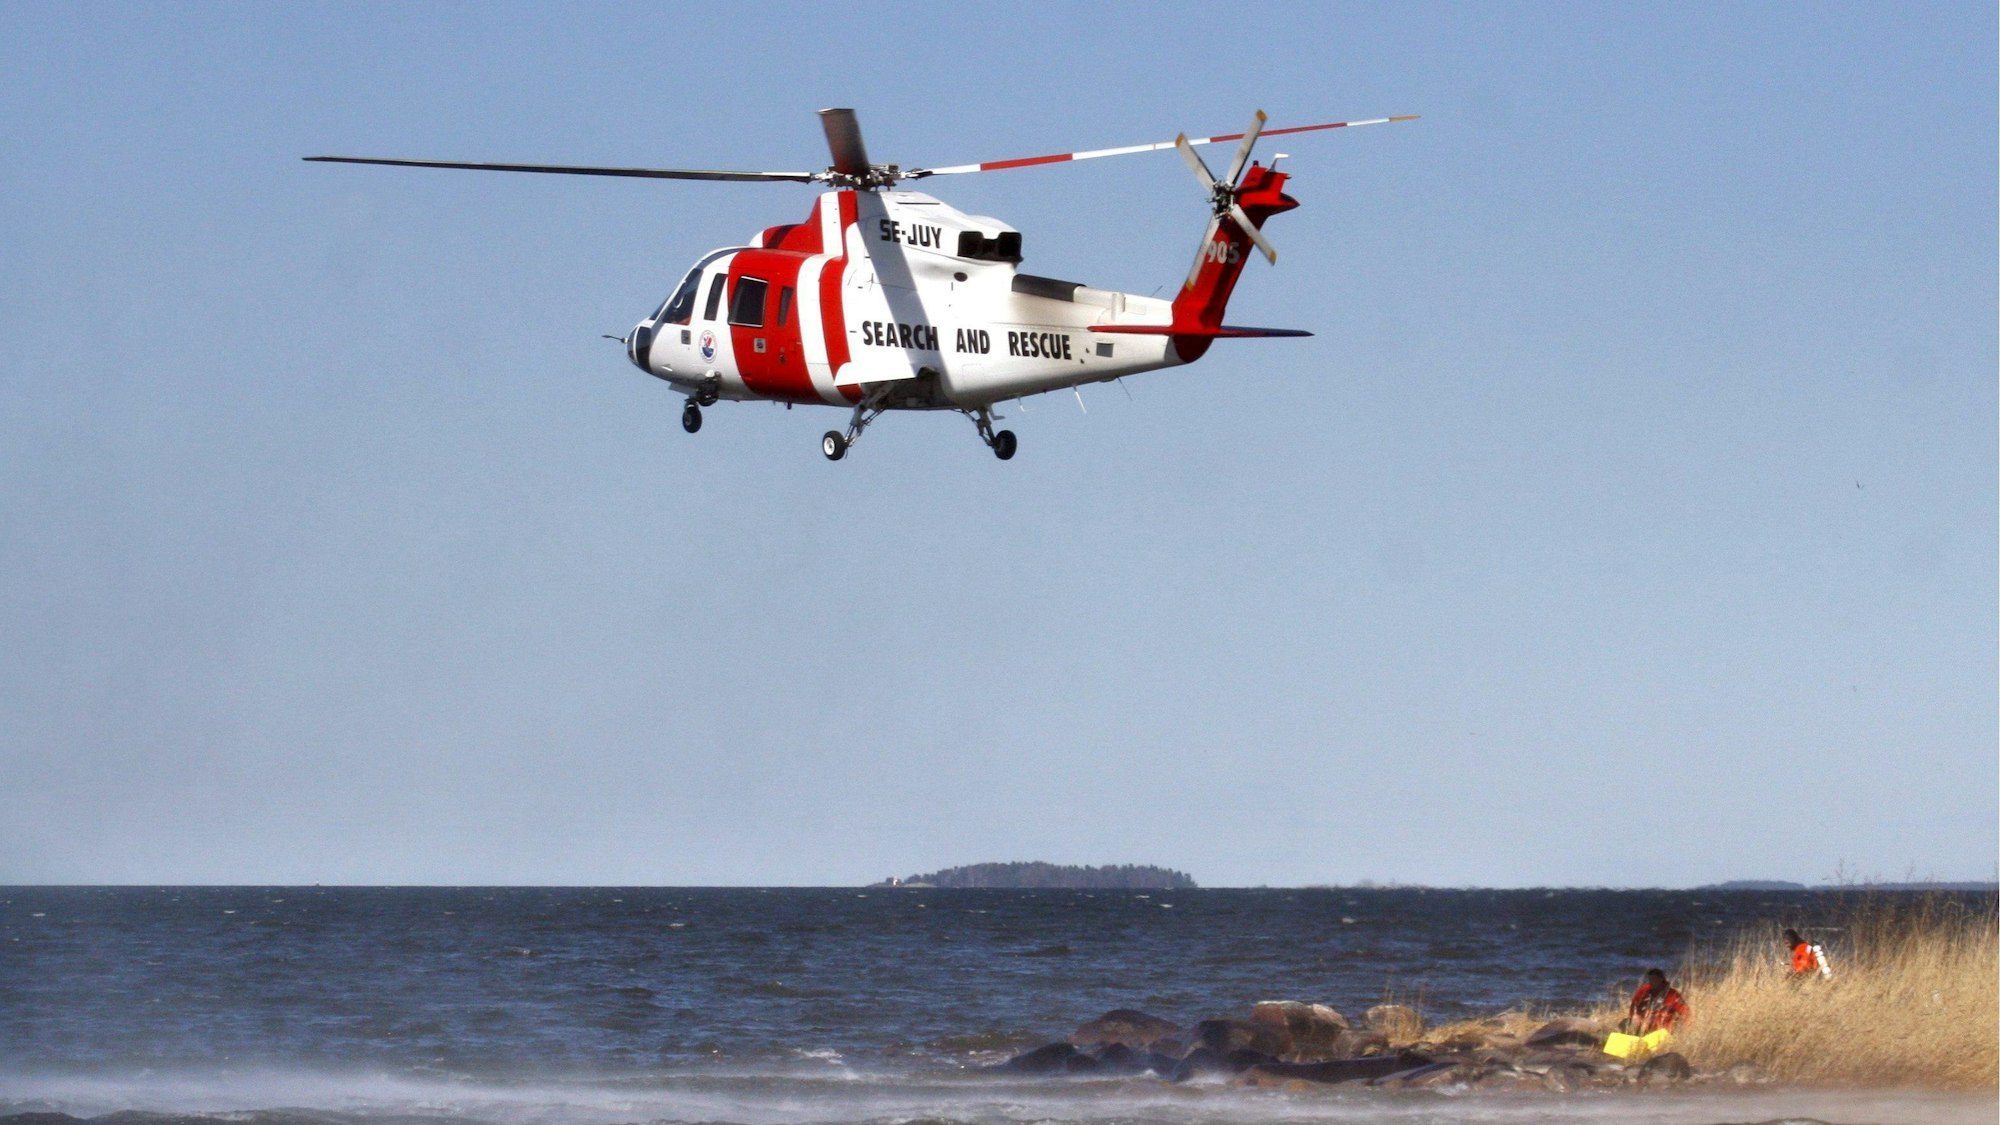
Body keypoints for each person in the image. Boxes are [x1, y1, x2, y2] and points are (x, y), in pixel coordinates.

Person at [1625, 968, 1690, 1034]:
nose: (1652, 982)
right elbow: (1634, 1005)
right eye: (1650, 980)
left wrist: (1687, 1029)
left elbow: (1686, 1012)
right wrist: (1634, 1017)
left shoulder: (1673, 994)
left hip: (1663, 1029)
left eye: (1654, 980)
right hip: (1646, 1025)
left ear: (1661, 980)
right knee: (1631, 1021)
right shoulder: (1644, 990)